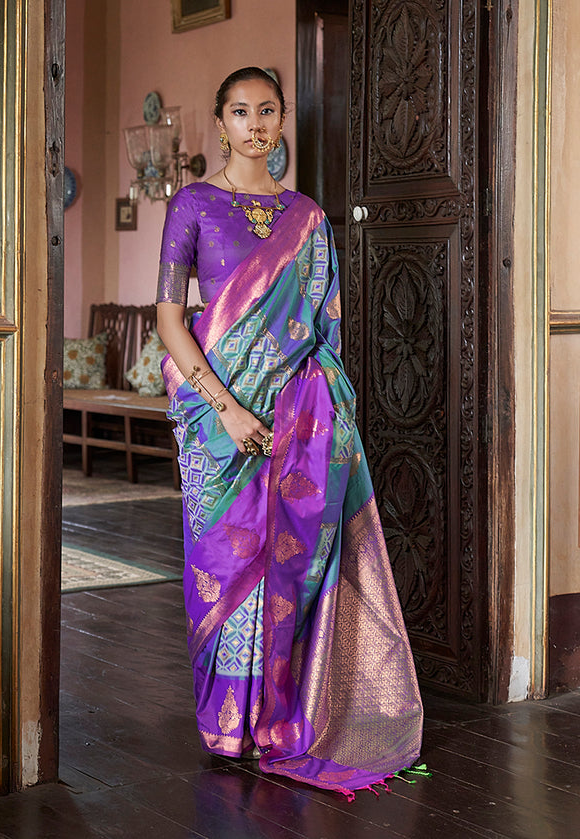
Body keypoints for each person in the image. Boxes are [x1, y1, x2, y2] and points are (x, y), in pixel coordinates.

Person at [156, 67, 423, 799]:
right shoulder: (193, 205)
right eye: (240, 111)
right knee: (222, 565)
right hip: (218, 423)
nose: (255, 124)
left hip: (299, 422)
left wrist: (315, 411)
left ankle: (278, 716)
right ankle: (227, 724)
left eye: (267, 110)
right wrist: (226, 408)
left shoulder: (307, 217)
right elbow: (170, 319)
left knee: (290, 565)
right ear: (220, 122)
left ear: (281, 121)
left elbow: (324, 329)